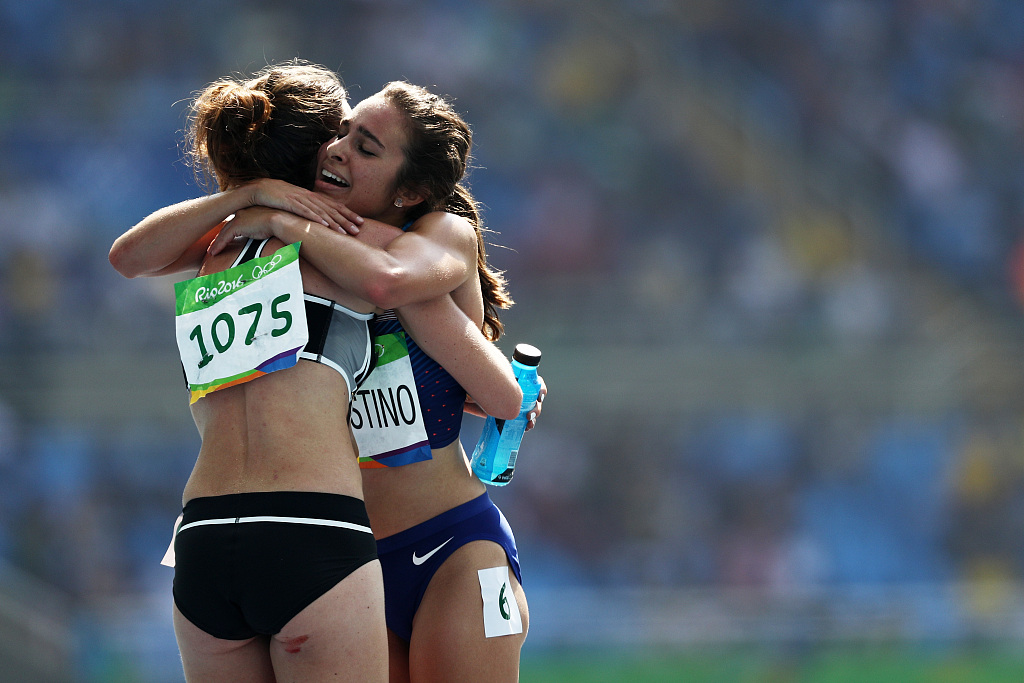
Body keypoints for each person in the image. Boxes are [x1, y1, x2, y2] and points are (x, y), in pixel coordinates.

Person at [111, 62, 541, 682]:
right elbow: (131, 257)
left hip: (444, 542)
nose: (336, 151)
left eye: (363, 146)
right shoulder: (282, 249)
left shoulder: (429, 238)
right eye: (339, 134)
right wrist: (251, 202)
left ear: (408, 190)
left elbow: (488, 382)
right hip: (339, 546)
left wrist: (284, 220)